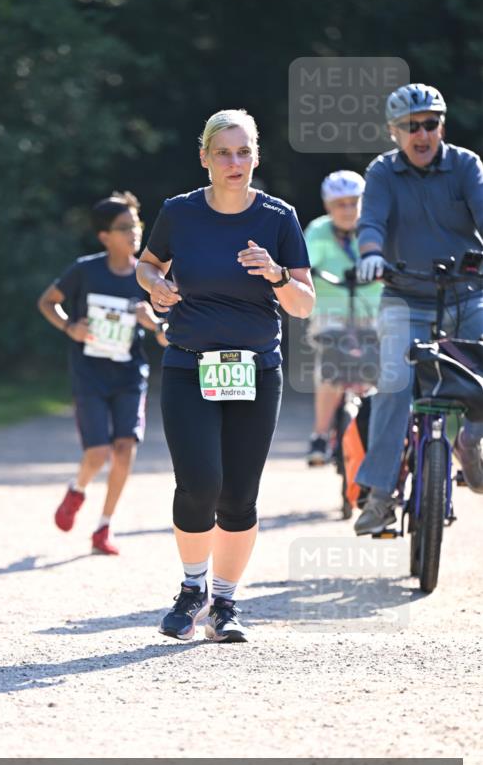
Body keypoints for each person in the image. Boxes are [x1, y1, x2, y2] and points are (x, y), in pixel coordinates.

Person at [136, 109, 314, 642]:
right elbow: (147, 265)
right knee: (199, 484)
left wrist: (277, 274)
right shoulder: (179, 213)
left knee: (238, 495)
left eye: (243, 152)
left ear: (256, 157)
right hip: (190, 364)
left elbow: (303, 305)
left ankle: (225, 605)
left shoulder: (279, 218)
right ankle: (192, 590)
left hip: (256, 371)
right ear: (205, 158)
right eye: (223, 153)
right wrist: (155, 286)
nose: (234, 163)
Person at [353, 83, 483, 535]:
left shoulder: (466, 165)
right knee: (393, 383)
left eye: (429, 123)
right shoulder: (383, 172)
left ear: (441, 126)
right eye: (411, 126)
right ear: (394, 132)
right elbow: (371, 222)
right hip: (404, 297)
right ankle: (380, 495)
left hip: (467, 295)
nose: (421, 134)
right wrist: (370, 253)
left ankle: (471, 443)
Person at [39, 191, 168, 555]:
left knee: (125, 449)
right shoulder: (85, 270)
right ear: (104, 236)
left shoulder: (149, 276)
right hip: (90, 374)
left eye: (136, 225)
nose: (133, 233)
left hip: (129, 375)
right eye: (123, 227)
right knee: (97, 454)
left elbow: (165, 335)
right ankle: (77, 490)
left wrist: (153, 321)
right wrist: (70, 327)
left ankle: (104, 527)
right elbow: (47, 302)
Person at [304, 170, 383, 464]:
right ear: (328, 206)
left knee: (384, 366)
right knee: (331, 367)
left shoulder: (374, 230)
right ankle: (320, 435)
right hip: (330, 314)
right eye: (340, 204)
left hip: (371, 313)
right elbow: (303, 264)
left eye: (354, 202)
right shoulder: (318, 231)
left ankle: (381, 433)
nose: (348, 210)